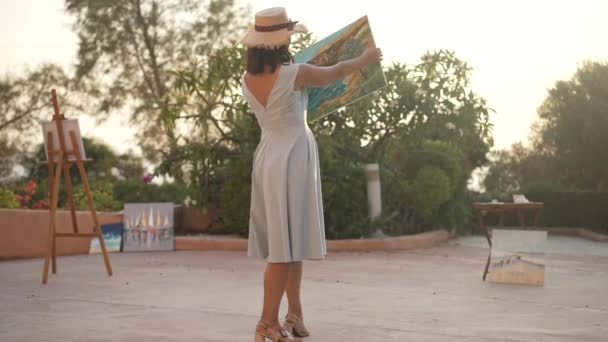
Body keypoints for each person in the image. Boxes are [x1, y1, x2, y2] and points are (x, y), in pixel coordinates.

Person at [241, 7, 383, 342]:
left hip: (268, 156)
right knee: (282, 252)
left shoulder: (246, 79)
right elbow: (337, 71)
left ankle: (295, 316)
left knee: (292, 242)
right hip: (293, 157)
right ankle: (266, 323)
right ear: (280, 41)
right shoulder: (295, 73)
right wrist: (366, 58)